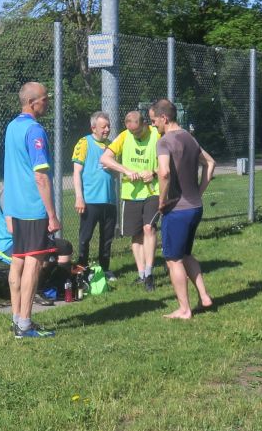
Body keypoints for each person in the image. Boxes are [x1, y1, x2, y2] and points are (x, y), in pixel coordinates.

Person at [2, 81, 61, 338]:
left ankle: (17, 319)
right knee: (34, 263)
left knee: (18, 260)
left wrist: (7, 210)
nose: (47, 103)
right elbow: (40, 176)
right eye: (44, 99)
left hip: (16, 207)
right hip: (33, 207)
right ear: (31, 102)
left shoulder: (11, 127)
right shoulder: (35, 131)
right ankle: (25, 325)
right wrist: (52, 214)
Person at [151, 98, 215, 319]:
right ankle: (204, 297)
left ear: (164, 118)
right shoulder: (190, 138)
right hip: (195, 207)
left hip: (177, 210)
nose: (153, 125)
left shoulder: (164, 142)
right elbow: (210, 163)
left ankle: (184, 309)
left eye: (154, 120)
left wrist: (161, 201)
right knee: (186, 254)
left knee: (173, 259)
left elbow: (164, 173)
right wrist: (199, 191)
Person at [100, 109, 161, 291]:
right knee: (135, 234)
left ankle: (149, 274)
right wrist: (125, 170)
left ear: (144, 124)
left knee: (149, 228)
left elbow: (171, 160)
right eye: (132, 132)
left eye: (138, 131)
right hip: (131, 194)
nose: (135, 135)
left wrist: (153, 172)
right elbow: (105, 158)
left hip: (153, 191)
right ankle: (141, 274)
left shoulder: (157, 134)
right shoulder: (124, 136)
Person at [71, 111, 117, 277]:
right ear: (93, 128)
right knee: (85, 238)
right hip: (90, 200)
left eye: (108, 126)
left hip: (109, 200)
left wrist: (113, 168)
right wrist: (79, 197)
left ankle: (105, 269)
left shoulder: (111, 145)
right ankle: (82, 269)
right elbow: (77, 172)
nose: (107, 130)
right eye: (103, 127)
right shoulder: (84, 143)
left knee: (107, 238)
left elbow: (116, 173)